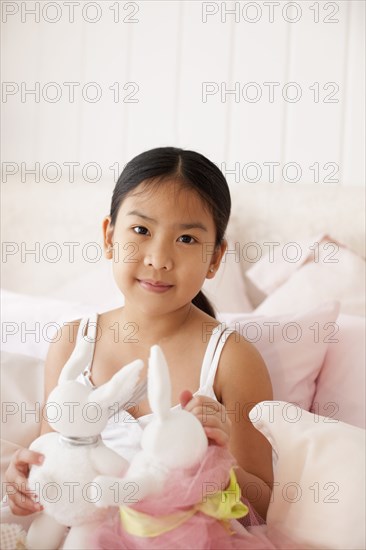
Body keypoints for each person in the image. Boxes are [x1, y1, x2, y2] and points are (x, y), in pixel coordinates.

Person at [4, 146, 273, 524]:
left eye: (187, 239)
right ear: (110, 237)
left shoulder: (232, 359)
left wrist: (216, 459)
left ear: (215, 258)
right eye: (141, 230)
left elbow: (264, 504)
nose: (159, 258)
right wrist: (27, 478)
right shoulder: (71, 344)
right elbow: (54, 456)